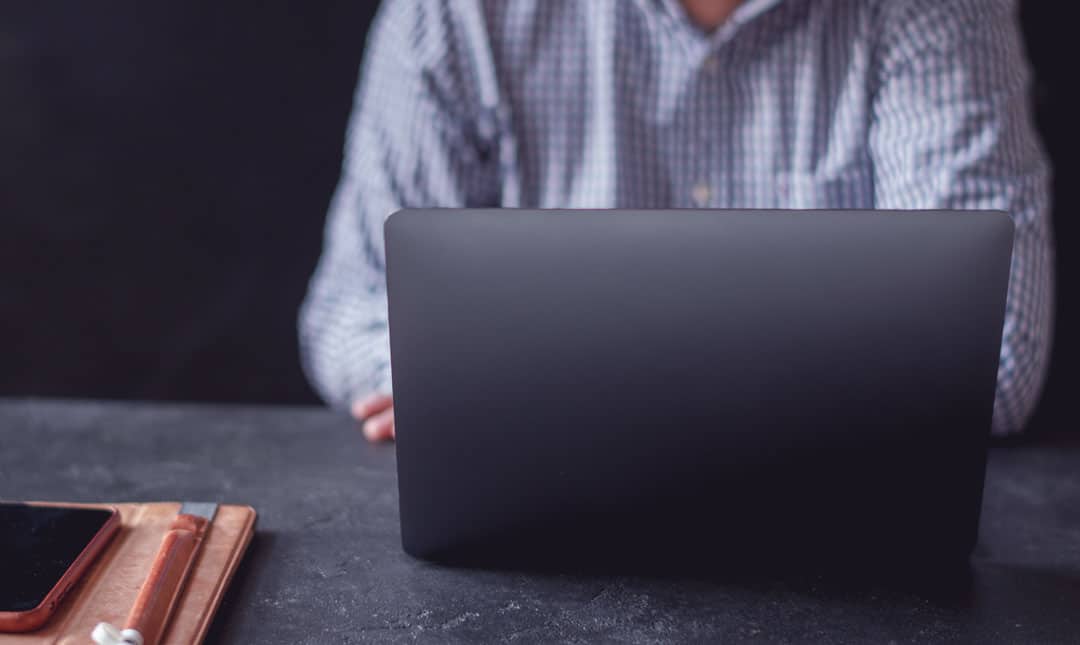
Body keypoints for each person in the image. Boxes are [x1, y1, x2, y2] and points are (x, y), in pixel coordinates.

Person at [300, 0, 1054, 442]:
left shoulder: (941, 12)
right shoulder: (455, 14)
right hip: (540, 544)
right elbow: (353, 307)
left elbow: (993, 357)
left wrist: (535, 392)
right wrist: (432, 378)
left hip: (842, 558)